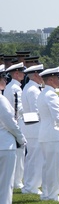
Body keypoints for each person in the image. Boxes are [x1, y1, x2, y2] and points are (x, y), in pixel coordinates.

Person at [36, 67, 59, 202]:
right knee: (54, 167)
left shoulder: (43, 93)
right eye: (57, 78)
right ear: (50, 79)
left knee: (48, 166)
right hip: (53, 133)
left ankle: (47, 192)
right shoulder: (50, 95)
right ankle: (52, 194)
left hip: (46, 133)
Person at [0, 69, 25, 204]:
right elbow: (10, 122)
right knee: (5, 186)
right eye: (3, 77)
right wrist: (21, 138)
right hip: (4, 145)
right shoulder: (1, 99)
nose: (5, 80)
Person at [20, 64, 44, 195]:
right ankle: (31, 186)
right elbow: (37, 111)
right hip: (34, 127)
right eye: (41, 74)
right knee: (35, 159)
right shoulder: (33, 90)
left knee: (31, 158)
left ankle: (29, 185)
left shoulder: (29, 87)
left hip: (30, 126)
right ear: (36, 75)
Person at [3, 62, 25, 191]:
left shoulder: (11, 87)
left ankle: (16, 179)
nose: (23, 74)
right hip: (17, 122)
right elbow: (18, 108)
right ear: (16, 73)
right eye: (21, 72)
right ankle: (17, 180)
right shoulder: (15, 88)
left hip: (13, 121)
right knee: (19, 153)